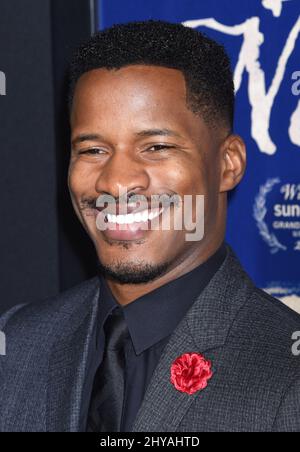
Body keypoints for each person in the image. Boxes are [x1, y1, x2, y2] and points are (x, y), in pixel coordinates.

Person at [0, 20, 299, 432]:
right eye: (93, 149)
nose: (117, 181)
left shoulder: (286, 370)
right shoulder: (17, 343)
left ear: (228, 163)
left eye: (156, 147)